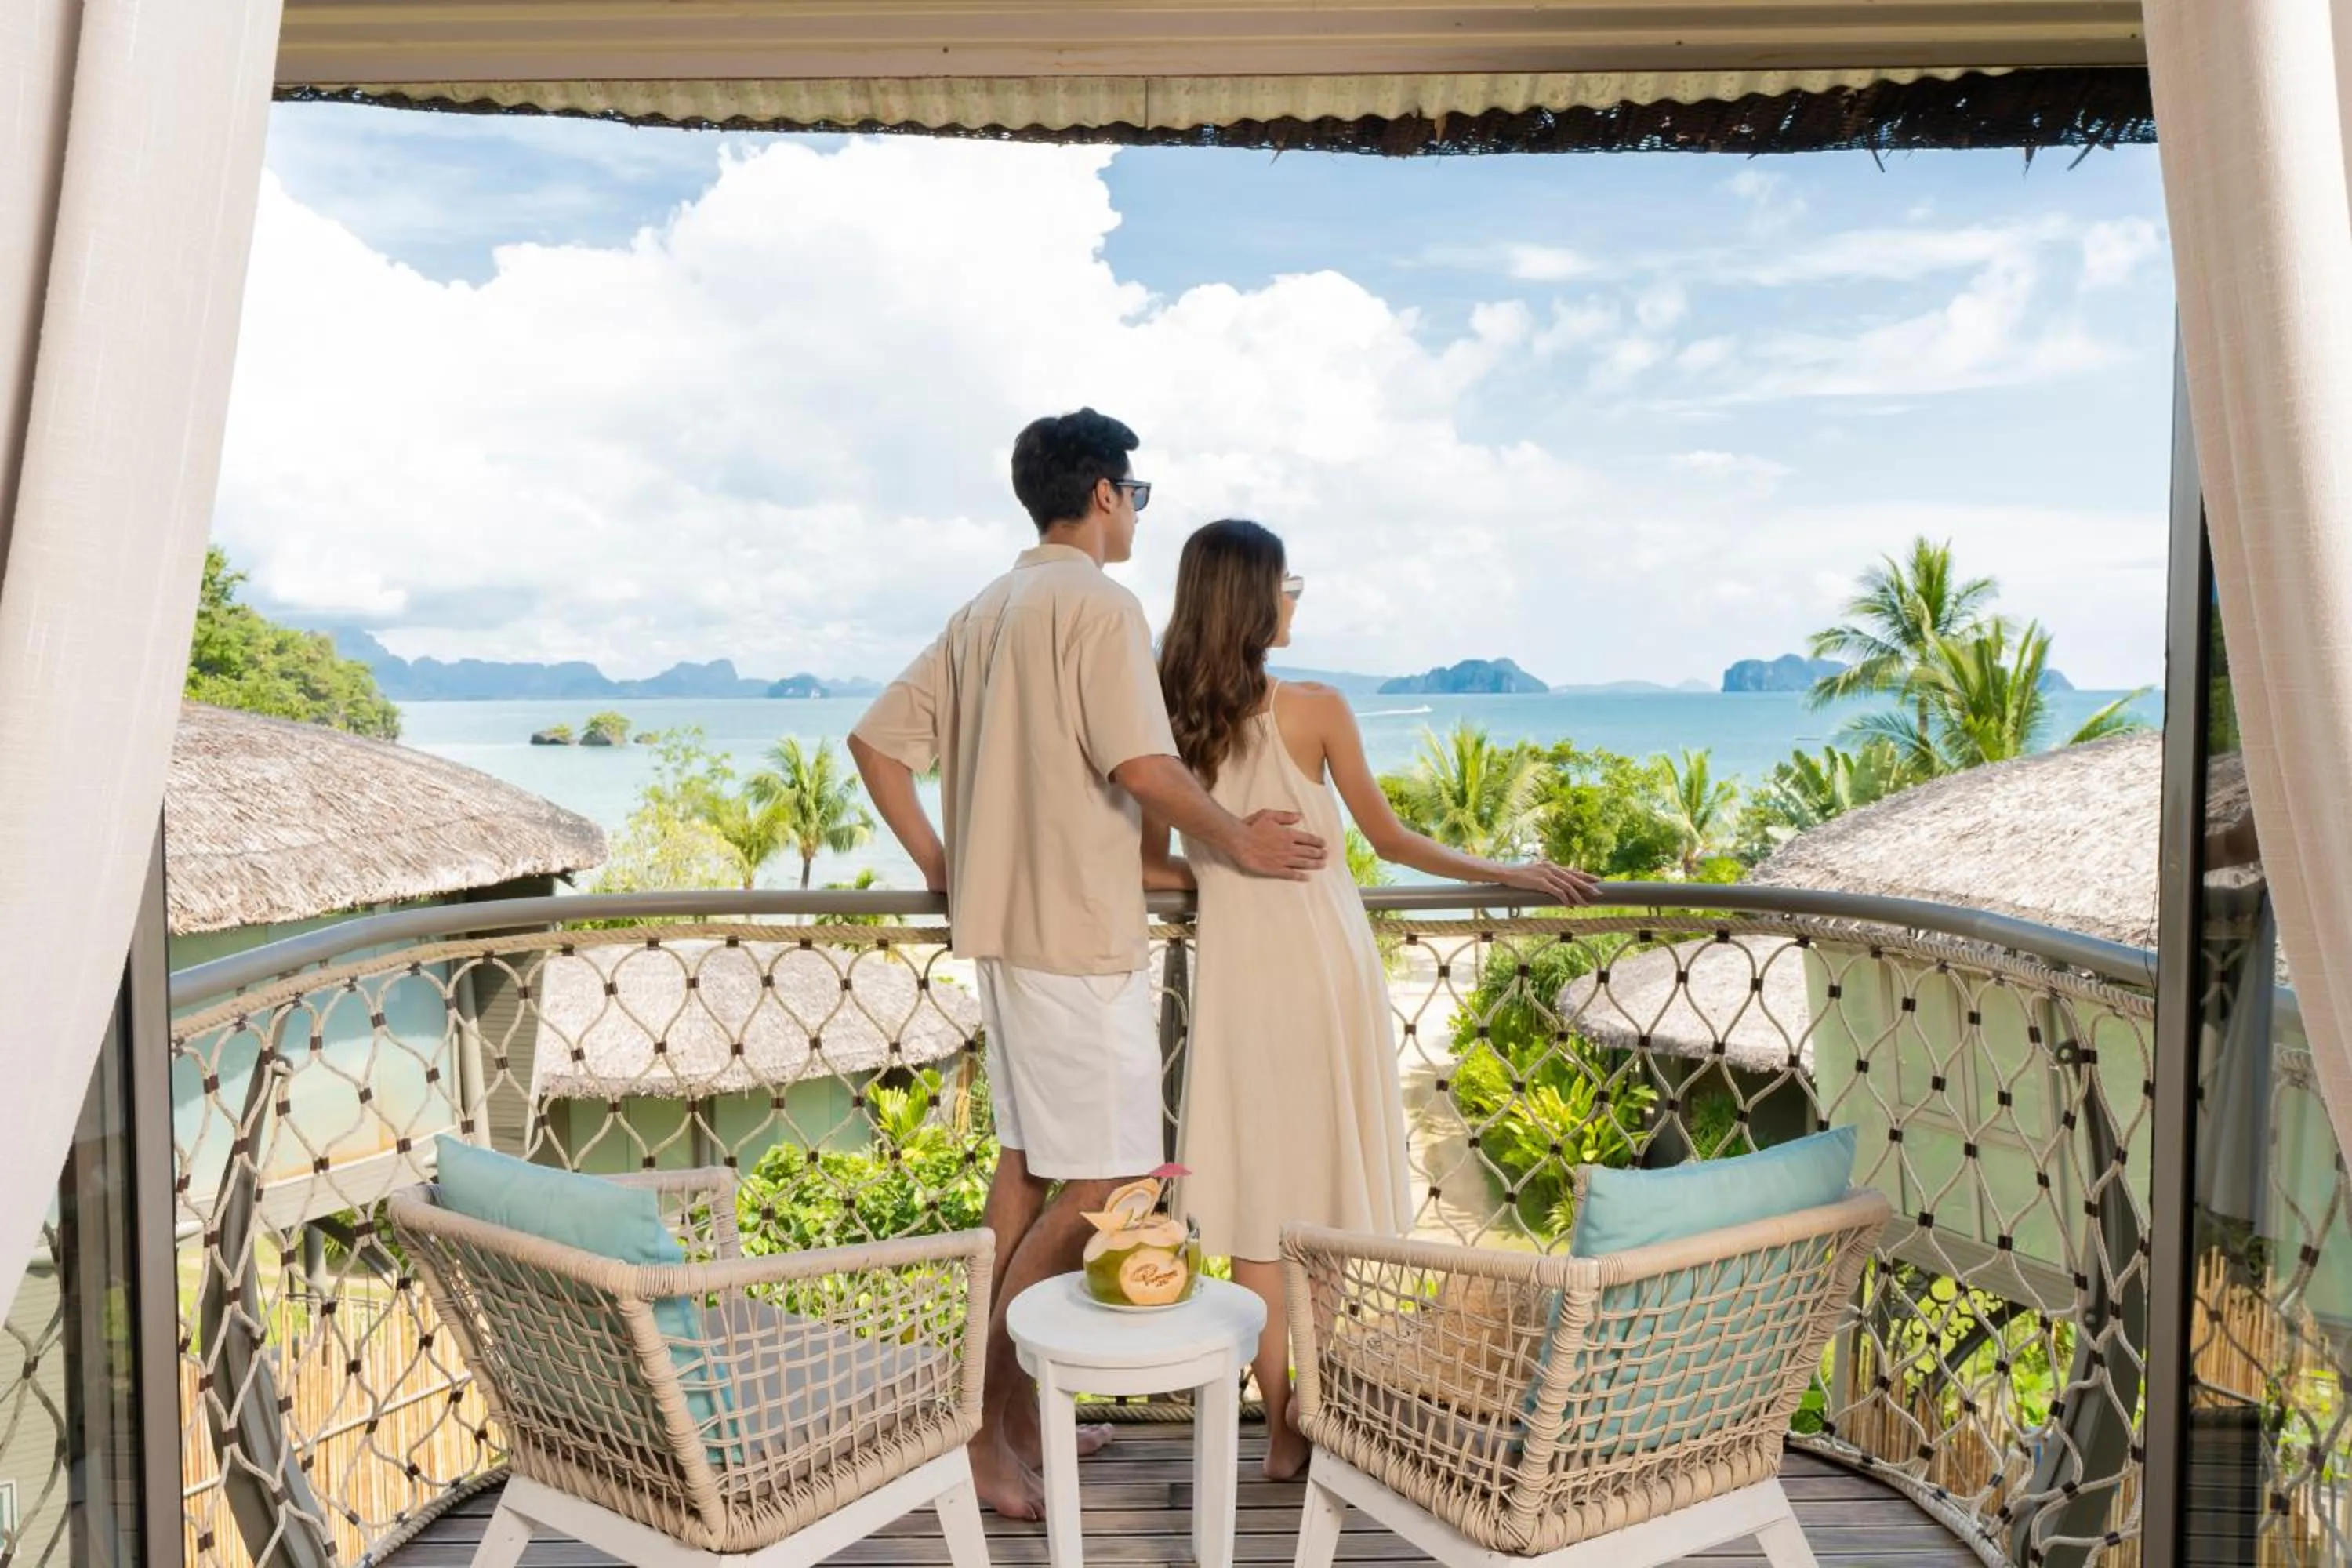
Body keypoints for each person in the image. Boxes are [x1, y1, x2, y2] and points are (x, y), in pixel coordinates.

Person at [848, 414, 1327, 1519]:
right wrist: (1241, 839)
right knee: (1111, 1181)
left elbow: (875, 747)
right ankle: (982, 1432)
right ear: (1105, 494)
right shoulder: (1099, 607)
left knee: (1027, 1169)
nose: (1137, 518)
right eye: (1137, 497)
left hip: (1008, 936)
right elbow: (1143, 765)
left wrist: (946, 867)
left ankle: (1011, 1423)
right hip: (1075, 939)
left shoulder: (984, 610)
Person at [1149, 518, 1599, 1480]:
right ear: (1254, 597)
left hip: (1237, 972)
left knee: (1257, 1208)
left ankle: (1282, 1425)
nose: (1295, 599)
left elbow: (1158, 859)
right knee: (1318, 1191)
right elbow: (1390, 841)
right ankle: (1316, 1413)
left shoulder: (1163, 718)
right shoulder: (1314, 708)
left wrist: (1220, 866)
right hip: (1320, 963)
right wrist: (1507, 869)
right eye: (1286, 582)